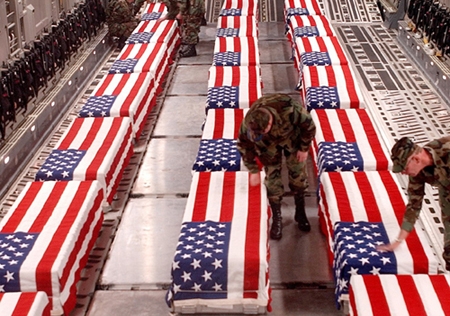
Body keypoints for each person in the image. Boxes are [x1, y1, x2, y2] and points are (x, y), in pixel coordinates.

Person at [237, 94, 316, 240]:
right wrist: (253, 169)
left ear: (269, 124)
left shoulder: (291, 110)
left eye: (261, 132)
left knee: (298, 174)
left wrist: (304, 148)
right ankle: (277, 218)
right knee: (272, 180)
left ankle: (300, 212)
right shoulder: (250, 122)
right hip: (268, 146)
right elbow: (244, 145)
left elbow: (309, 126)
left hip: (292, 137)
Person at [377, 136, 450, 270]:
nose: (404, 173)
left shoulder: (447, 150)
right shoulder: (418, 172)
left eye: (404, 168)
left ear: (416, 159)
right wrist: (398, 241)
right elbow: (414, 205)